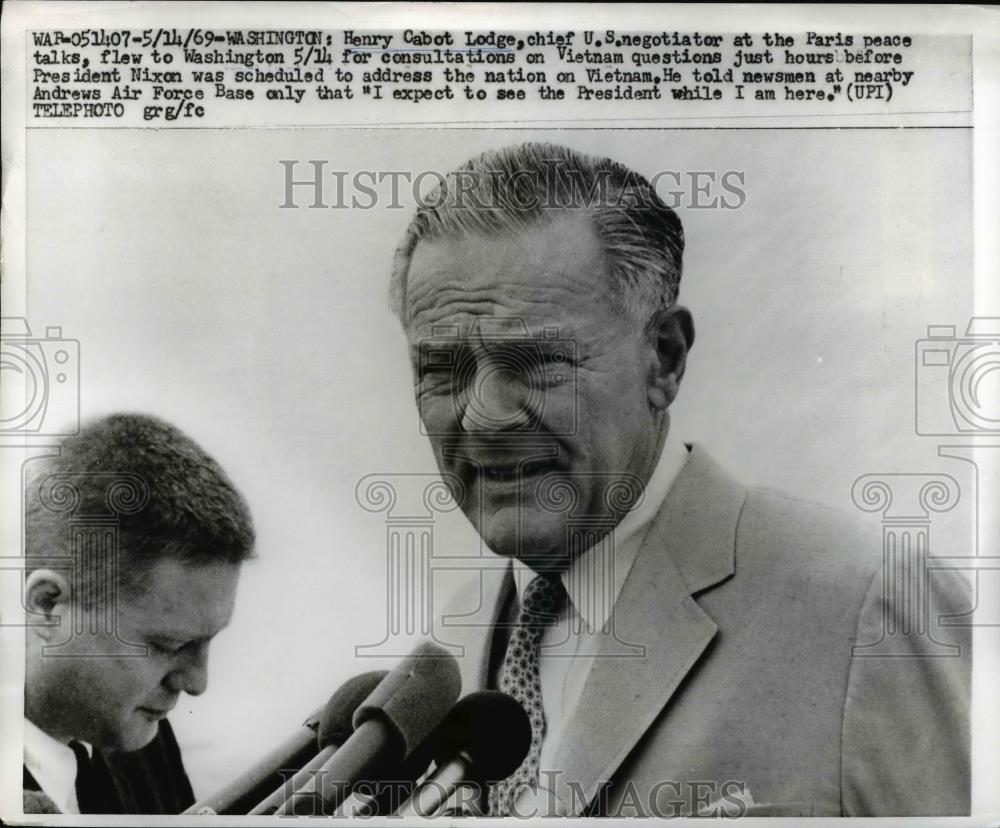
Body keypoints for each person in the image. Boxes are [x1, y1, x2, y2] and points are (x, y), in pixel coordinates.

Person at [390, 143, 971, 817]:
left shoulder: (867, 605)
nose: (484, 416)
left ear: (664, 359)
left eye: (538, 360)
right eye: (442, 370)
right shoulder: (441, 662)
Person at [22, 413, 255, 814]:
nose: (198, 683)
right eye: (169, 644)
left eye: (207, 641)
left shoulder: (138, 738)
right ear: (48, 607)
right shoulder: (127, 722)